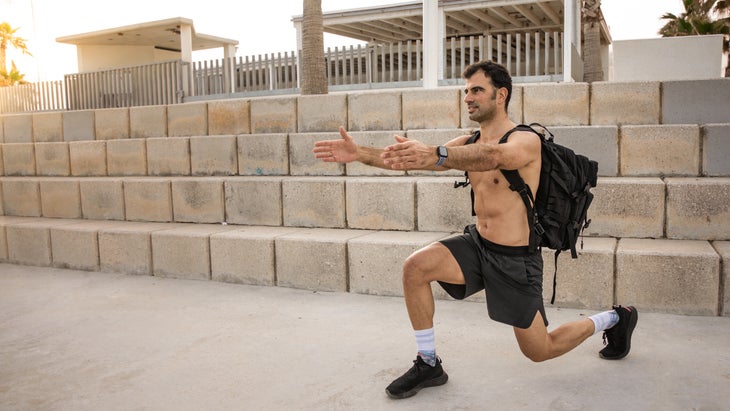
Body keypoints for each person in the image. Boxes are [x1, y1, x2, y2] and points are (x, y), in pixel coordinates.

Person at [312, 60, 638, 400]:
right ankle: (428, 363)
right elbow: (416, 159)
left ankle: (615, 318)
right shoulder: (469, 140)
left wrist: (439, 152)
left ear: (501, 95)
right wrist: (359, 152)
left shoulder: (526, 140)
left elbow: (492, 156)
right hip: (478, 245)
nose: (469, 97)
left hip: (516, 260)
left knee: (541, 350)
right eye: (466, 91)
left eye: (477, 90)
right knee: (416, 267)